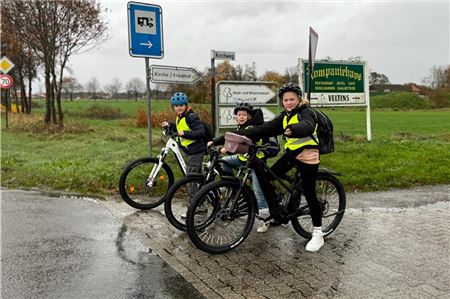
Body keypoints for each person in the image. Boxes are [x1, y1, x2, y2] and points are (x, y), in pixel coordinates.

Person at [236, 83, 324, 252]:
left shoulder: (307, 112)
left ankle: (318, 234)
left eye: (292, 99)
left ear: (299, 99)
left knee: (310, 192)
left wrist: (292, 129)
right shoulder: (284, 116)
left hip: (308, 156)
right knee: (269, 176)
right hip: (292, 155)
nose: (289, 102)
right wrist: (235, 135)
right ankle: (278, 209)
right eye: (285, 100)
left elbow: (307, 125)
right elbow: (264, 129)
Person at [207, 102, 278, 233]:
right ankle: (234, 187)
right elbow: (231, 138)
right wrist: (217, 143)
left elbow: (239, 142)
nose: (241, 117)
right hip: (242, 159)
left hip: (256, 162)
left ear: (249, 116)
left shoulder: (252, 128)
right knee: (223, 162)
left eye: (244, 114)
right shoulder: (242, 127)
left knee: (258, 191)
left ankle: (265, 219)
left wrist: (225, 148)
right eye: (239, 114)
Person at [161, 92, 206, 201]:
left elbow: (201, 132)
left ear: (186, 105)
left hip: (196, 151)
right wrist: (170, 125)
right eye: (176, 106)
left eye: (181, 105)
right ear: (173, 108)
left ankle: (195, 205)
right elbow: (179, 127)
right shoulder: (180, 117)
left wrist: (184, 133)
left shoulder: (191, 117)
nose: (179, 108)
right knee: (196, 178)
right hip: (191, 151)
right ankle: (201, 200)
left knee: (190, 178)